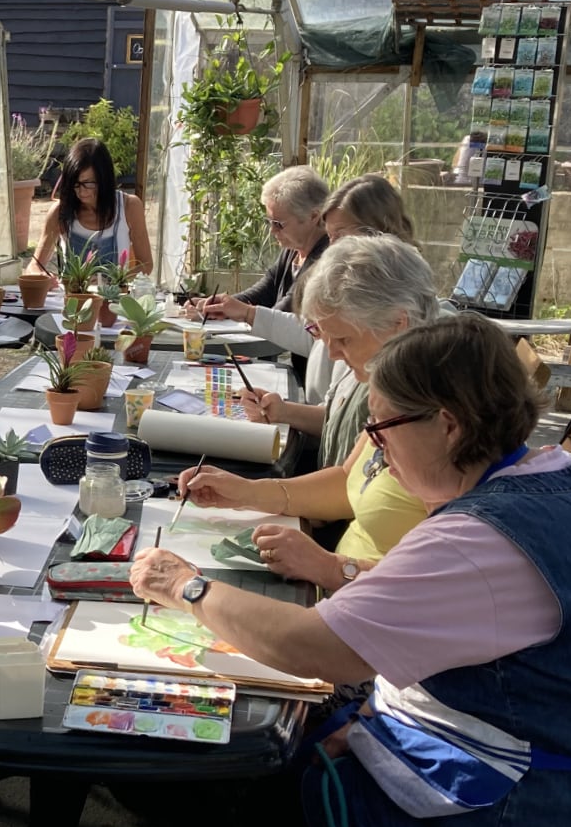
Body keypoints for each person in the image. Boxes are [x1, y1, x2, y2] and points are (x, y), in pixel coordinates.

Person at [131, 312, 571, 827]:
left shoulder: (479, 539)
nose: (376, 449)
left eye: (381, 429)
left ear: (448, 425)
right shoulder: (551, 479)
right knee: (308, 744)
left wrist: (184, 586)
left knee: (291, 800)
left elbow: (310, 647)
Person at [180, 235, 435, 587]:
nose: (331, 354)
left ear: (399, 323)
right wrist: (244, 492)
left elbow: (448, 585)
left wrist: (331, 568)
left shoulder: (444, 410)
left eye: (343, 339)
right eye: (321, 334)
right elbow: (348, 481)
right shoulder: (395, 385)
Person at [240, 173, 417, 442]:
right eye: (330, 235)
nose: (333, 350)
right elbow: (336, 416)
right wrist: (284, 411)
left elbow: (354, 455)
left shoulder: (389, 319)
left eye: (339, 235)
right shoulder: (350, 301)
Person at [187, 165, 330, 393]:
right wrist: (219, 305)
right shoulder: (294, 250)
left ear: (314, 216)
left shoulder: (326, 259)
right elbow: (265, 290)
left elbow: (285, 310)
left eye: (279, 224)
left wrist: (238, 310)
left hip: (315, 386)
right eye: (270, 222)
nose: (273, 231)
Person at [26, 137, 153, 279]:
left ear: (104, 179)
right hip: (73, 298)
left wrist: (118, 282)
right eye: (76, 183)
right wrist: (42, 276)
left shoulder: (129, 207)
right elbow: (34, 265)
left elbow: (146, 265)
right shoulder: (60, 212)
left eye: (88, 183)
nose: (82, 191)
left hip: (115, 298)